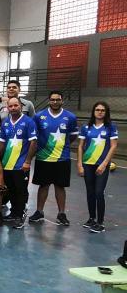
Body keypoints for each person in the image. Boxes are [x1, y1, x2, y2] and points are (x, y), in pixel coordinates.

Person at [28, 90, 78, 226]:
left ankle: (61, 214)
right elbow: (33, 135)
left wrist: (62, 146)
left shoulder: (70, 117)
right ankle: (39, 212)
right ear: (49, 100)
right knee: (43, 186)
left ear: (62, 101)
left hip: (62, 158)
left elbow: (73, 136)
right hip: (43, 157)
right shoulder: (39, 116)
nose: (55, 102)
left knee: (60, 187)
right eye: (52, 100)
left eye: (58, 100)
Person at [77, 102, 118, 234]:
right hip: (88, 164)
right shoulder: (86, 127)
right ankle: (91, 218)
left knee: (99, 192)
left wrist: (104, 164)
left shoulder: (111, 127)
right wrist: (79, 164)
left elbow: (113, 146)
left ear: (106, 112)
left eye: (103, 110)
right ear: (93, 111)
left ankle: (100, 223)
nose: (100, 112)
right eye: (97, 109)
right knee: (90, 192)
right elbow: (80, 146)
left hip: (102, 165)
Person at [0, 97, 37, 229]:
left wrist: (28, 161)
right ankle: (14, 212)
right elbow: (1, 143)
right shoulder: (6, 123)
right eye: (11, 106)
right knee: (11, 190)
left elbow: (33, 142)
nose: (13, 108)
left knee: (21, 190)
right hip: (7, 163)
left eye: (16, 105)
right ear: (7, 108)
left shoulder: (29, 122)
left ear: (21, 106)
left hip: (21, 165)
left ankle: (20, 215)